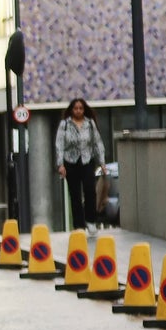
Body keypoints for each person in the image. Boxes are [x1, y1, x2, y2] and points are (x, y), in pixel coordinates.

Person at [55, 96, 104, 231]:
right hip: (71, 161)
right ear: (71, 110)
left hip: (87, 160)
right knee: (75, 194)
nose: (78, 111)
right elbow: (59, 145)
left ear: (84, 110)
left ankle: (91, 220)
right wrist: (60, 164)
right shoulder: (65, 124)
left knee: (90, 190)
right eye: (75, 108)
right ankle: (79, 225)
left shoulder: (90, 124)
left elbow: (97, 142)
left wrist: (102, 162)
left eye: (81, 108)